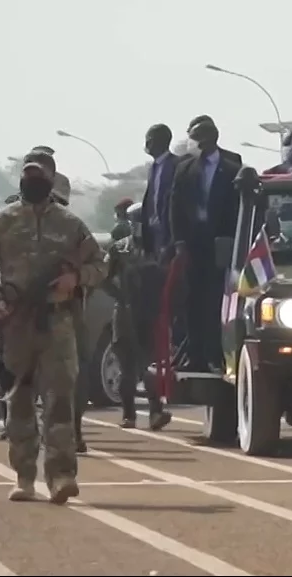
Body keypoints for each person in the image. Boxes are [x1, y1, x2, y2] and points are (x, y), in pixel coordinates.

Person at [0, 151, 107, 502]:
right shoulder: (1, 222)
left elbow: (100, 265)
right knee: (20, 401)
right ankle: (24, 476)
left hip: (58, 322)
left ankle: (60, 475)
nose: (33, 180)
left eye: (40, 175)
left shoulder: (70, 225)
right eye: (28, 174)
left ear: (52, 179)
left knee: (60, 400)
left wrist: (77, 279)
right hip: (16, 325)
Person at [169, 115, 242, 372]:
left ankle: (215, 354)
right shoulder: (185, 168)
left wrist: (235, 241)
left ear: (211, 139)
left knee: (216, 300)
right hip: (193, 243)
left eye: (198, 139)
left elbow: (238, 209)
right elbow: (174, 207)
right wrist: (179, 242)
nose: (194, 144)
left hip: (220, 245)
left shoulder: (233, 168)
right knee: (192, 300)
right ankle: (195, 354)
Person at [104, 202, 172, 431]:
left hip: (150, 313)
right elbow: (103, 276)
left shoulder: (160, 250)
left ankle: (155, 413)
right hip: (125, 313)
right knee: (126, 366)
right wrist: (120, 295)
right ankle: (129, 414)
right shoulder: (119, 249)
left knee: (151, 366)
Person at [140, 124, 178, 259]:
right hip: (152, 233)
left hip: (168, 233)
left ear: (160, 141)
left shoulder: (177, 165)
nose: (146, 144)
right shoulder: (152, 168)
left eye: (149, 139)